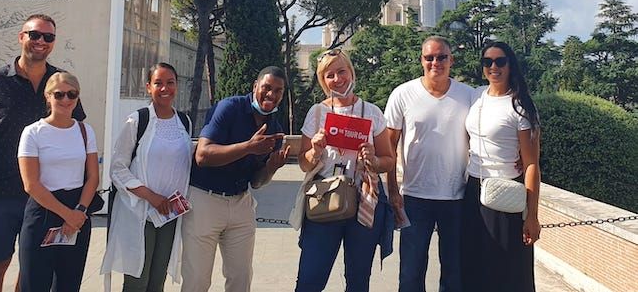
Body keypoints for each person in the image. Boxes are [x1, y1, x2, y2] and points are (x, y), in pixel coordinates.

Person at [0, 14, 85, 292]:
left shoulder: (61, 85)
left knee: (32, 272)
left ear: (53, 43)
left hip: (45, 198)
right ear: (21, 37)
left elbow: (78, 132)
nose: (40, 41)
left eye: (48, 37)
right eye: (34, 35)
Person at [180, 66, 291, 292]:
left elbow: (257, 182)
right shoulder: (229, 108)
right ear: (255, 87)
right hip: (205, 200)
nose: (271, 95)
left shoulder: (275, 129)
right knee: (197, 281)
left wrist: (271, 168)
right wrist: (248, 147)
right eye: (266, 87)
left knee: (240, 280)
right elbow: (202, 156)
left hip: (241, 204)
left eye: (278, 91)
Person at [294, 48, 395, 291]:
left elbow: (388, 160)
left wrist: (373, 159)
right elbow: (303, 163)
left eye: (342, 71)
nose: (337, 79)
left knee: (358, 279)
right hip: (324, 198)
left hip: (364, 199)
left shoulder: (371, 112)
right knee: (310, 278)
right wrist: (315, 151)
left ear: (351, 72)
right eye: (330, 75)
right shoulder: (317, 112)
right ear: (323, 80)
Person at [384, 36, 474, 292]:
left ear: (451, 60)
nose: (435, 62)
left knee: (454, 273)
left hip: (456, 196)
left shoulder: (468, 96)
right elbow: (389, 146)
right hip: (414, 197)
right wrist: (392, 190)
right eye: (429, 57)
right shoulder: (402, 94)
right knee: (411, 273)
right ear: (421, 60)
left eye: (441, 57)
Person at [101, 63, 194, 291]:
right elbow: (118, 168)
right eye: (158, 83)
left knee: (157, 280)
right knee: (136, 281)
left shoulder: (185, 122)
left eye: (170, 82)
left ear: (177, 86)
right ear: (148, 87)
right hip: (139, 213)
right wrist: (151, 197)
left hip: (169, 215)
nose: (165, 88)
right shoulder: (138, 121)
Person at [461, 41, 541, 291]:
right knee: (473, 265)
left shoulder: (520, 107)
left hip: (507, 192)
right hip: (474, 189)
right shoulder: (476, 95)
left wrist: (533, 216)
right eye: (487, 62)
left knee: (507, 271)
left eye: (500, 61)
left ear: (510, 65)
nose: (493, 67)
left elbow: (531, 165)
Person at [17, 72, 98, 292]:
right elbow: (31, 184)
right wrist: (67, 215)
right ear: (48, 96)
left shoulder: (85, 130)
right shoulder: (32, 133)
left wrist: (79, 212)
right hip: (44, 211)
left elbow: (93, 177)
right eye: (59, 94)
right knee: (35, 284)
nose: (65, 100)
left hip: (78, 211)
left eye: (71, 94)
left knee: (68, 286)